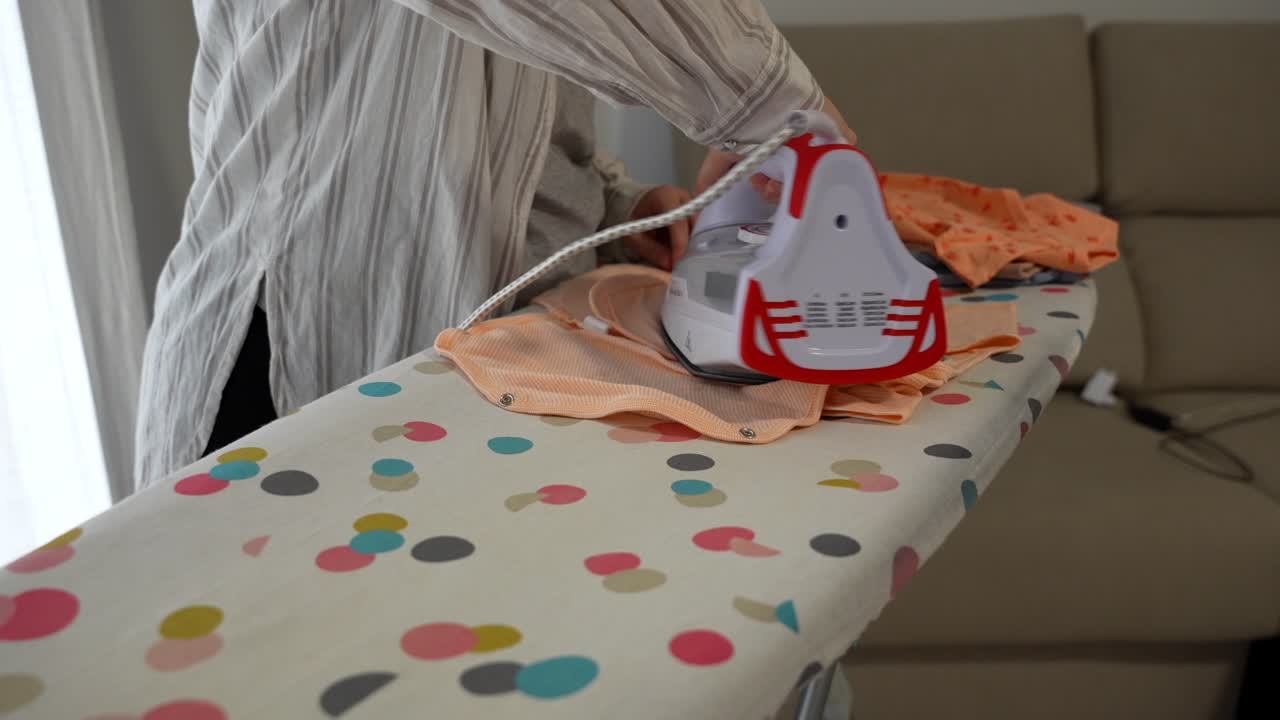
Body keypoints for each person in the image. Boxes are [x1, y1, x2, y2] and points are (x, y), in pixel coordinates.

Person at [133, 0, 855, 489]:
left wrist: (614, 200)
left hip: (522, 351)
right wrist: (777, 105)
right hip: (305, 346)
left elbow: (511, 98)